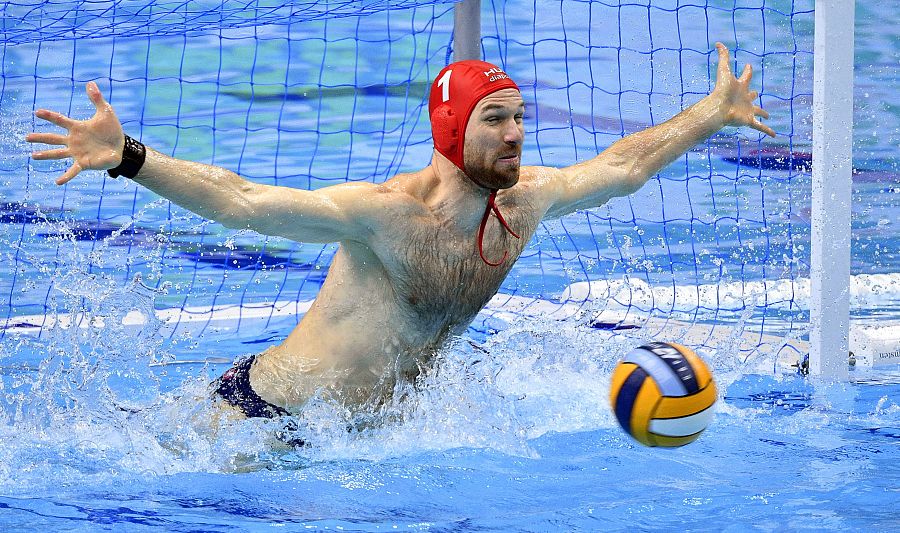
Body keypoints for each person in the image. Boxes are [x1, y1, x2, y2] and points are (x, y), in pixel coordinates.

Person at [26, 43, 773, 420]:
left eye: (520, 116)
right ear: (451, 130)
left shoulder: (528, 201)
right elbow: (243, 202)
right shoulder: (384, 212)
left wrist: (714, 111)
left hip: (369, 439)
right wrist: (125, 157)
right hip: (266, 421)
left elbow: (625, 166)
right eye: (496, 119)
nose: (517, 134)